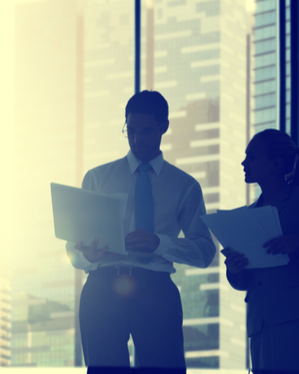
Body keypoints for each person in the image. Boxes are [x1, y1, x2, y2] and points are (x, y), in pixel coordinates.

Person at [66, 90, 217, 369]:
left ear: (164, 127)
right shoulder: (97, 178)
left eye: (146, 132)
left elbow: (206, 253)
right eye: (131, 131)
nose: (137, 140)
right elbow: (72, 250)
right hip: (102, 289)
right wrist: (87, 256)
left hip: (157, 290)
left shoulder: (185, 186)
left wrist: (160, 244)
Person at [222, 129, 299, 372]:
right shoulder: (249, 214)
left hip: (298, 317)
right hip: (261, 321)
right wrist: (234, 269)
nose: (244, 162)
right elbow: (247, 279)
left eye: (252, 157)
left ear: (276, 163)